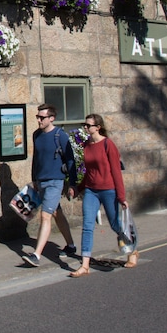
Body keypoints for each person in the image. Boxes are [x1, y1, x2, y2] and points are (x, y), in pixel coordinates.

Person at [68, 113, 138, 277]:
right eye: (84, 125)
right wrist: (79, 187)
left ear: (98, 127)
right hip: (91, 191)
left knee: (115, 224)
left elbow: (116, 172)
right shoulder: (86, 145)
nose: (85, 128)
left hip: (108, 190)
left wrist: (121, 197)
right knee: (87, 226)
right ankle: (85, 265)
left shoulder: (108, 145)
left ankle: (132, 250)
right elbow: (88, 172)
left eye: (88, 125)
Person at [22, 104, 78, 267]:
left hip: (55, 181)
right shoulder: (36, 135)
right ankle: (71, 246)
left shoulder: (60, 136)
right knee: (56, 213)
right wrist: (34, 179)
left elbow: (70, 160)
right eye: (38, 117)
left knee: (45, 215)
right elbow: (36, 159)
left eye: (42, 117)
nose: (39, 120)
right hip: (41, 181)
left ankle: (36, 255)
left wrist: (72, 184)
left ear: (51, 118)